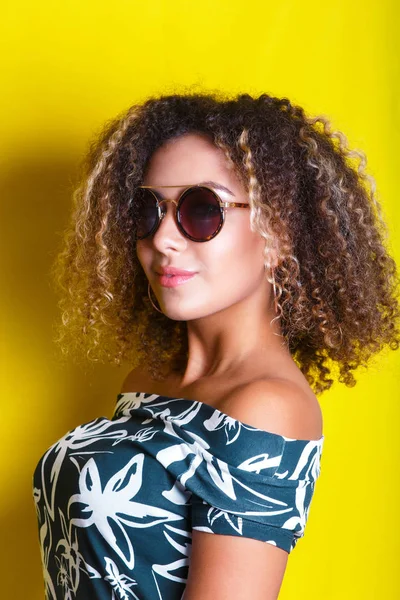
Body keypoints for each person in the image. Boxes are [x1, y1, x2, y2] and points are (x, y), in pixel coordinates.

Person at [32, 90, 400, 599]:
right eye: (147, 210)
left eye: (201, 211)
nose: (162, 238)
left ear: (280, 234)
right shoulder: (147, 383)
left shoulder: (266, 408)